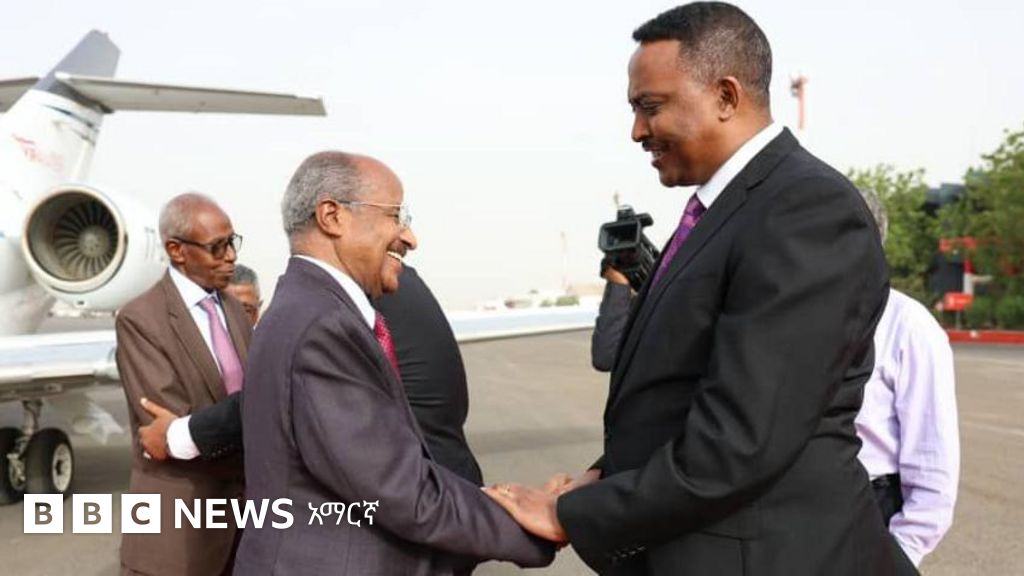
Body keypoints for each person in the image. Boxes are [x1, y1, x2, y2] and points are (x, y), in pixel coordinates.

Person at [484, 3, 908, 575]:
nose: (637, 131)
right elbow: (681, 393)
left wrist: (570, 514)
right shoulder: (725, 214)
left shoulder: (806, 210)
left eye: (650, 107)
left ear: (726, 97)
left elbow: (741, 439)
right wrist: (604, 475)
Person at [233, 151, 553, 574]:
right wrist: (541, 524)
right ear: (332, 216)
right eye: (395, 216)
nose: (410, 237)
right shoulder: (321, 327)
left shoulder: (310, 309)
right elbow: (400, 490)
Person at [115, 193, 250, 576]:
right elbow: (167, 430)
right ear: (176, 250)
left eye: (232, 242)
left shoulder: (233, 308)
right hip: (181, 533)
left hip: (244, 523)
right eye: (217, 247)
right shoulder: (141, 319)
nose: (231, 256)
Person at [856, 188, 960, 567]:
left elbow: (934, 464)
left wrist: (901, 554)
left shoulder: (907, 325)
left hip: (873, 511)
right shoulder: (791, 317)